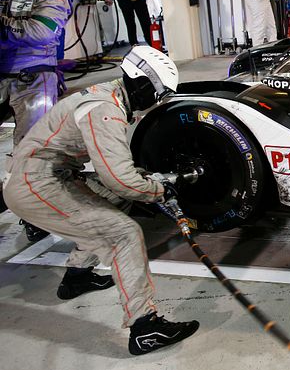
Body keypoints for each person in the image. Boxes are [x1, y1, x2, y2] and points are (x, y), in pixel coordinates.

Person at [3, 46, 200, 355]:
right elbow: (119, 179)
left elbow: (117, 176)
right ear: (144, 85)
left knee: (114, 202)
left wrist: (146, 180)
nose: (157, 102)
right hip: (36, 183)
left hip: (52, 173)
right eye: (159, 94)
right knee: (124, 233)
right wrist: (159, 191)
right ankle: (145, 328)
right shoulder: (104, 110)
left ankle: (77, 276)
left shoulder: (111, 95)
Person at [0, 0, 71, 240]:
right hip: (3, 74)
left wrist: (4, 22)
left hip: (36, 78)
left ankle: (34, 214)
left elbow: (42, 31)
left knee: (32, 149)